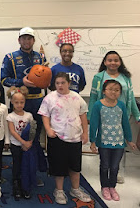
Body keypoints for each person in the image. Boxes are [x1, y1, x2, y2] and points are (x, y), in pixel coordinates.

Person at [1, 27, 46, 189]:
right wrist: (21, 82)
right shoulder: (10, 57)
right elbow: (4, 80)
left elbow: (46, 79)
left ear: (33, 40)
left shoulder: (41, 57)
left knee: (33, 141)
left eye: (30, 38)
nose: (27, 41)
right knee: (18, 141)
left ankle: (32, 173)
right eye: (24, 38)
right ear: (19, 40)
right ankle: (17, 174)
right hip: (19, 104)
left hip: (37, 104)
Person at [38, 72, 91, 205]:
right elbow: (45, 115)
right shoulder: (50, 98)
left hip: (75, 137)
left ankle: (75, 188)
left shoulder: (77, 97)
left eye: (63, 83)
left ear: (69, 83)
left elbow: (83, 115)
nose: (60, 85)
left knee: (75, 166)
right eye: (57, 83)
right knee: (58, 166)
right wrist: (48, 129)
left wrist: (85, 133)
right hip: (58, 137)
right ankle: (59, 190)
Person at [88, 50, 140, 183]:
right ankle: (106, 172)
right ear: (105, 62)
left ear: (120, 62)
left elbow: (131, 99)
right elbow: (93, 97)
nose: (113, 62)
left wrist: (137, 115)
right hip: (104, 116)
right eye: (109, 60)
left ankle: (117, 172)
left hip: (122, 115)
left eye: (116, 60)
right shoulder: (99, 77)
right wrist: (90, 115)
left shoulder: (126, 78)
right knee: (105, 144)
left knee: (121, 144)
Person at [89, 80, 137, 201]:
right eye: (110, 89)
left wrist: (129, 140)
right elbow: (94, 124)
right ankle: (104, 186)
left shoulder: (121, 105)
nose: (114, 92)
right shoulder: (98, 105)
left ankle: (112, 187)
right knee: (105, 165)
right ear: (104, 91)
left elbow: (125, 123)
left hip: (119, 142)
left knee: (115, 166)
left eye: (117, 90)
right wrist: (92, 141)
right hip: (104, 142)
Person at [6, 86, 33, 200]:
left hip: (27, 145)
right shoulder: (10, 116)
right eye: (16, 102)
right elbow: (12, 131)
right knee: (17, 164)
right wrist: (22, 142)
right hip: (16, 145)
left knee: (26, 165)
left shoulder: (29, 116)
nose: (19, 105)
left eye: (22, 102)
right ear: (12, 102)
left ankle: (25, 185)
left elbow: (33, 130)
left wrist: (29, 142)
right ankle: (16, 184)